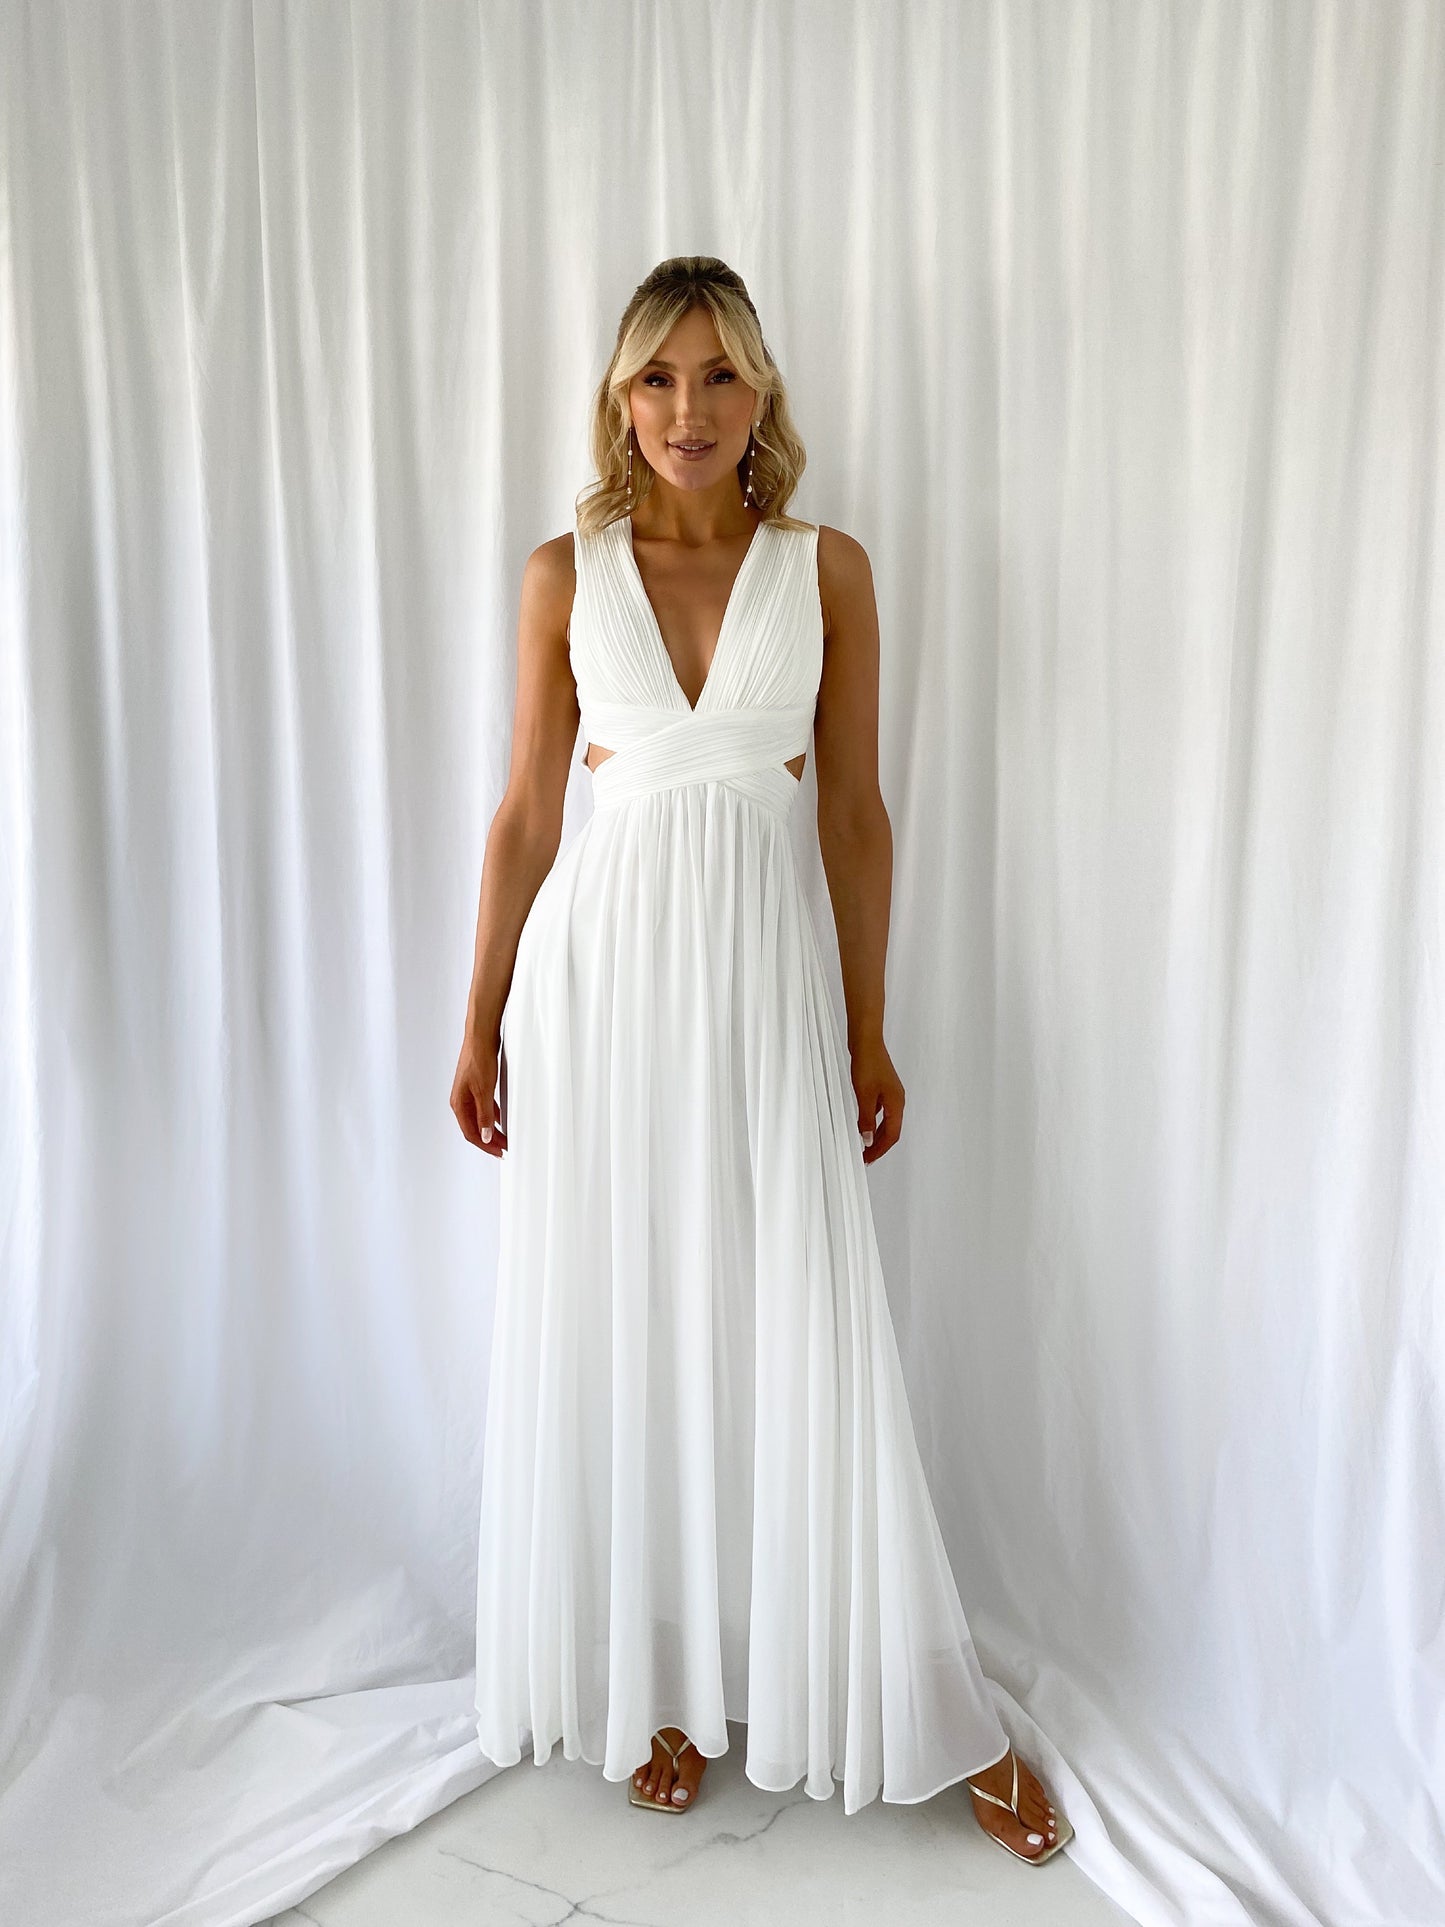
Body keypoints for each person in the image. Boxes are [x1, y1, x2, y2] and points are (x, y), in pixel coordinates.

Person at [450, 256, 1071, 1867]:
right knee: (631, 1307)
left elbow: (851, 815)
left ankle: (919, 1702)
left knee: (800, 1310)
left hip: (762, 977)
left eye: (720, 377)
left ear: (763, 395)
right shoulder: (559, 574)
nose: (687, 412)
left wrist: (867, 1022)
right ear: (616, 395)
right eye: (658, 378)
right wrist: (478, 1015)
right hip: (597, 990)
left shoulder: (829, 569)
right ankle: (659, 1687)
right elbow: (527, 813)